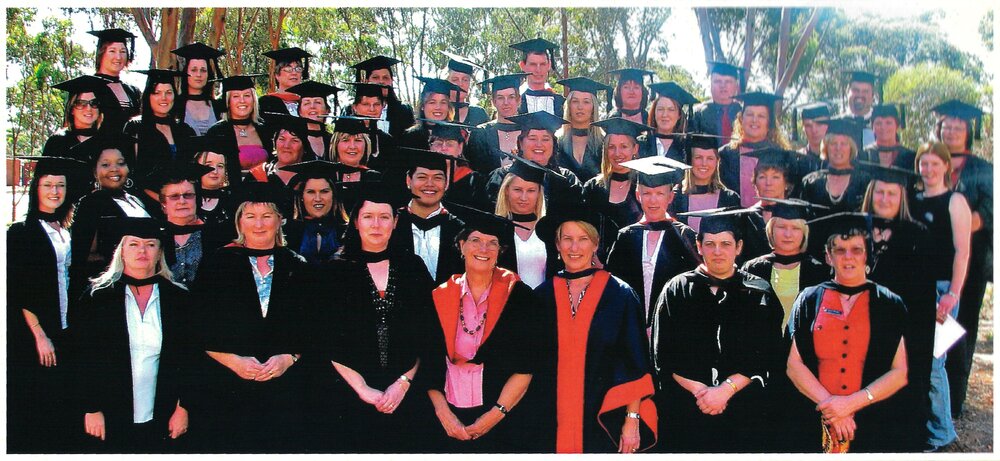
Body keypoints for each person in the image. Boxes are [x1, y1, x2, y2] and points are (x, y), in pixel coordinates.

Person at [311, 184, 438, 453]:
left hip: (407, 394)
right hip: (347, 395)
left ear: (395, 222)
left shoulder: (412, 267)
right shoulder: (333, 270)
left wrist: (403, 383)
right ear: (356, 221)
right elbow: (323, 338)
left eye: (384, 217)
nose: (376, 225)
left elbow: (428, 332)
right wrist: (363, 389)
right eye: (368, 216)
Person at [649, 211, 784, 453]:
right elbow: (663, 355)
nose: (717, 251)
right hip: (689, 408)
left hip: (744, 411)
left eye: (725, 244)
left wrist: (725, 391)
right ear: (699, 246)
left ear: (739, 247)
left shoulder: (757, 292)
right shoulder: (676, 290)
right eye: (709, 244)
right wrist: (702, 393)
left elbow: (767, 353)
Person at [190, 182, 309, 453]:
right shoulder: (217, 263)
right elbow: (197, 325)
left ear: (280, 220)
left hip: (284, 388)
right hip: (228, 387)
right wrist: (233, 362)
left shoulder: (297, 265)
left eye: (267, 216)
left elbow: (311, 327)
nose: (259, 224)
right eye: (250, 216)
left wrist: (289, 358)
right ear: (239, 221)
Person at [423, 206, 546, 453]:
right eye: (475, 240)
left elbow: (527, 364)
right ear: (461, 246)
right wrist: (444, 415)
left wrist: (494, 416)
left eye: (492, 243)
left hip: (504, 418)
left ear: (501, 251)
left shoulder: (520, 297)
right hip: (445, 420)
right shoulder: (439, 296)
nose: (483, 249)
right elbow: (428, 362)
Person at [534, 211, 658, 453]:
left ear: (595, 244)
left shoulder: (620, 294)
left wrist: (632, 419)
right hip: (550, 419)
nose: (574, 247)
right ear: (557, 244)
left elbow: (635, 362)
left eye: (583, 239)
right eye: (567, 239)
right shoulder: (542, 296)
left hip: (603, 418)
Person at [787, 212, 910, 452]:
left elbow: (900, 372)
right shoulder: (809, 299)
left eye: (856, 249)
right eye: (839, 250)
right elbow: (794, 364)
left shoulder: (888, 303)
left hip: (871, 419)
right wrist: (832, 408)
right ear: (828, 256)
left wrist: (850, 404)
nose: (848, 257)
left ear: (868, 255)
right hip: (816, 415)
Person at [76, 217, 193, 453]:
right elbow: (80, 358)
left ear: (160, 251)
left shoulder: (178, 299)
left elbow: (191, 359)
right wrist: (91, 408)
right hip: (109, 414)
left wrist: (183, 408)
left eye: (150, 244)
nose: (142, 250)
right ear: (121, 251)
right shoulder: (97, 298)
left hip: (164, 411)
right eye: (133, 244)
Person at [6, 156, 87, 453]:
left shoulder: (65, 230)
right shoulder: (21, 233)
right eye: (48, 185)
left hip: (65, 329)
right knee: (36, 403)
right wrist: (40, 335)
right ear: (36, 189)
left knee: (61, 402)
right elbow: (17, 288)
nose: (55, 191)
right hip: (34, 334)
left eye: (61, 186)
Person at [740, 200, 829, 452]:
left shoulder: (818, 271)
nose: (788, 234)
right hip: (764, 367)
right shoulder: (753, 268)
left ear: (804, 233)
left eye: (795, 228)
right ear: (770, 230)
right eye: (781, 227)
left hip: (805, 365)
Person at [858, 162, 934, 451]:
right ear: (870, 193)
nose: (885, 199)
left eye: (892, 193)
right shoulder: (854, 230)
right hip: (859, 337)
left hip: (901, 340)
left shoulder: (918, 236)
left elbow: (925, 309)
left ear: (902, 197)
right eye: (880, 192)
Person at [931, 99, 993, 418]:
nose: (952, 130)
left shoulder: (984, 169)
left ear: (969, 131)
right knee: (935, 328)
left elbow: (989, 211)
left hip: (971, 260)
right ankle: (933, 397)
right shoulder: (929, 162)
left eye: (959, 126)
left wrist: (958, 226)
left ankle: (955, 402)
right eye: (947, 125)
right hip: (935, 261)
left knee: (961, 327)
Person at [909, 141, 972, 451]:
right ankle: (920, 427)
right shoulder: (913, 200)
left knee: (934, 363)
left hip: (942, 290)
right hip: (913, 289)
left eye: (935, 163)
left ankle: (942, 432)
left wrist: (952, 295)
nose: (929, 169)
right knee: (913, 361)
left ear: (947, 166)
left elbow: (962, 252)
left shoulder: (955, 201)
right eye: (924, 163)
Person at [605, 157, 700, 334]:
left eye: (660, 193)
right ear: (638, 195)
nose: (653, 200)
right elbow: (613, 286)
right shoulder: (626, 236)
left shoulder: (684, 235)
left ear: (670, 196)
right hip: (630, 327)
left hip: (672, 329)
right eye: (647, 193)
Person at [68, 135, 158, 303]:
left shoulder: (137, 200)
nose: (114, 169)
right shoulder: (91, 204)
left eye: (120, 163)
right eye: (105, 164)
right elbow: (84, 257)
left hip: (145, 286)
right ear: (95, 171)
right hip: (112, 291)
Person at [387, 148, 467, 283]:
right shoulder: (391, 225)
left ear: (446, 183)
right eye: (422, 177)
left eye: (437, 178)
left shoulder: (460, 230)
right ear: (408, 180)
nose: (430, 184)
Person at [485, 110, 585, 217]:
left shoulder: (567, 180)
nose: (539, 144)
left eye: (545, 139)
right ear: (520, 143)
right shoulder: (501, 177)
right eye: (532, 138)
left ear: (553, 144)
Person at [581, 117, 652, 261]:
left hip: (636, 264)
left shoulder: (646, 186)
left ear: (635, 148)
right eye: (611, 147)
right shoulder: (593, 188)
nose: (617, 153)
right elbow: (583, 230)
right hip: (597, 266)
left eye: (624, 146)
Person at [147, 161, 225, 288]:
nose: (182, 201)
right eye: (174, 196)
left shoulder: (215, 236)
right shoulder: (155, 238)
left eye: (188, 195)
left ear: (196, 199)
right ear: (163, 204)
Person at [718, 91, 792, 207]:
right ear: (741, 119)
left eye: (761, 116)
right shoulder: (725, 155)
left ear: (769, 122)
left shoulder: (783, 155)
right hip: (735, 221)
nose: (754, 120)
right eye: (750, 114)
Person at [493, 158, 558, 288]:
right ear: (506, 190)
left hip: (543, 304)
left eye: (531, 191)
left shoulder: (549, 230)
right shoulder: (495, 229)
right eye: (517, 190)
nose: (523, 197)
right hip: (506, 304)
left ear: (539, 193)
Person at [124, 69, 197, 179]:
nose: (164, 98)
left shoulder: (185, 130)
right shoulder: (135, 128)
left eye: (168, 92)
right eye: (157, 93)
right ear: (148, 96)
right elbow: (130, 169)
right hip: (144, 193)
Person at [279, 160, 354, 265]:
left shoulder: (348, 232)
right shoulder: (286, 232)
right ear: (301, 196)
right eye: (311, 192)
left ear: (334, 195)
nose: (318, 198)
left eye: (324, 191)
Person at [669, 133, 741, 233]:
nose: (704, 163)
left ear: (717, 162)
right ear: (689, 161)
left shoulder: (730, 199)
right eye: (698, 157)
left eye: (710, 158)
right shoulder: (675, 198)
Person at [797, 118, 872, 214]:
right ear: (826, 147)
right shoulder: (811, 182)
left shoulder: (865, 181)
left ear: (851, 148)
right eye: (833, 143)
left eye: (844, 144)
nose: (838, 148)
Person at [205, 74, 272, 171]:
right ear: (228, 101)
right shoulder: (217, 132)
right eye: (236, 96)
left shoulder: (264, 129)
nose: (242, 101)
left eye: (247, 95)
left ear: (254, 100)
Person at [466, 73, 529, 174]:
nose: (506, 102)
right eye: (500, 98)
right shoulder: (481, 134)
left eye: (511, 97)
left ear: (519, 100)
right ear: (494, 102)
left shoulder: (530, 131)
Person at [43, 75, 114, 161]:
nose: (88, 108)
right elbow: (44, 173)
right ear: (71, 109)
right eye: (81, 103)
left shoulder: (108, 141)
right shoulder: (58, 141)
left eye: (94, 103)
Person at [554, 77, 611, 181]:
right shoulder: (556, 142)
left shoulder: (604, 143)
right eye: (575, 101)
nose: (580, 107)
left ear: (594, 107)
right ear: (569, 105)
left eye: (586, 102)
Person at [428, 121, 492, 211]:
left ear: (460, 148)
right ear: (430, 148)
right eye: (438, 143)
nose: (443, 148)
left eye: (450, 144)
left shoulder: (474, 181)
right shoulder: (421, 177)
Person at [348, 55, 415, 139]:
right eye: (375, 77)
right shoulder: (349, 111)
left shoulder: (404, 111)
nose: (381, 81)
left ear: (391, 81)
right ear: (366, 81)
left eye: (385, 78)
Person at [87, 28, 141, 132]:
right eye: (112, 51)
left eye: (123, 51)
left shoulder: (133, 91)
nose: (118, 57)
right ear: (101, 53)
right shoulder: (88, 86)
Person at [341, 82, 400, 174]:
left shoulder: (387, 141)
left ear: (383, 106)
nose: (372, 109)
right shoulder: (344, 137)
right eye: (366, 104)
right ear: (354, 107)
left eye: (376, 104)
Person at [247, 113, 317, 190]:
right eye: (281, 139)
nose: (286, 146)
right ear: (275, 143)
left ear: (305, 148)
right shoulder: (258, 175)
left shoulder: (313, 178)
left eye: (294, 140)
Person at [170, 42, 226, 135]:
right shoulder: (175, 105)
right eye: (194, 70)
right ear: (186, 72)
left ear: (209, 75)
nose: (199, 75)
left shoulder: (217, 106)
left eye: (203, 70)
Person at [188, 135, 242, 229]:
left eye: (220, 166)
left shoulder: (234, 200)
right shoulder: (186, 198)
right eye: (208, 165)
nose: (215, 171)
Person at [638, 82, 699, 162]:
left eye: (671, 110)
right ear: (654, 112)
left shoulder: (687, 147)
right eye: (660, 109)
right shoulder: (641, 143)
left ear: (679, 115)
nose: (665, 114)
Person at [399, 77, 462, 150]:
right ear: (423, 106)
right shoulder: (410, 137)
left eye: (443, 102)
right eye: (432, 102)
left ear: (448, 107)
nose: (438, 107)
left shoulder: (455, 135)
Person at [690, 61, 744, 148]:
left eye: (728, 81)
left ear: (736, 86)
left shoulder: (744, 113)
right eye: (717, 81)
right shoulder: (698, 113)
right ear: (710, 85)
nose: (723, 86)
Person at [287, 80, 342, 158]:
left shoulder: (334, 142)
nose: (312, 106)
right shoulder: (293, 140)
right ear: (300, 111)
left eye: (318, 102)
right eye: (307, 103)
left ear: (327, 110)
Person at [511, 38, 563, 116]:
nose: (538, 70)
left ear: (549, 65)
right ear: (522, 66)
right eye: (533, 64)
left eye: (542, 64)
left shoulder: (560, 103)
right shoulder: (513, 103)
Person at [858, 104, 915, 169]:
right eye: (878, 123)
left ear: (897, 126)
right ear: (872, 127)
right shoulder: (863, 155)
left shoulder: (910, 156)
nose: (883, 127)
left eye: (888, 122)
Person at [258, 47, 312, 115]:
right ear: (277, 75)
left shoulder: (306, 104)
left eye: (298, 69)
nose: (294, 73)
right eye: (288, 69)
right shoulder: (265, 103)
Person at [442, 50, 490, 127]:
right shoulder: (439, 111)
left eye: (465, 80)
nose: (460, 84)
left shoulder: (478, 114)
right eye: (455, 79)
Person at [841, 70, 880, 148]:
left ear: (873, 96)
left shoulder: (882, 124)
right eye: (855, 90)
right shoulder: (837, 123)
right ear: (847, 92)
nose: (860, 95)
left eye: (865, 91)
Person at [790, 102, 831, 175]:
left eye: (819, 124)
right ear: (803, 128)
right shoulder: (796, 159)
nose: (814, 130)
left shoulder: (839, 158)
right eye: (808, 125)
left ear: (829, 125)